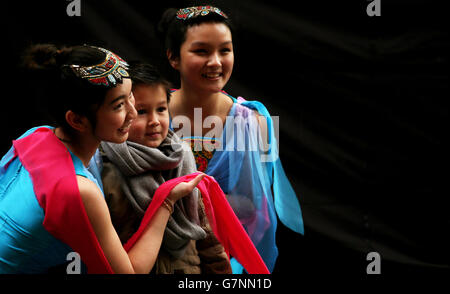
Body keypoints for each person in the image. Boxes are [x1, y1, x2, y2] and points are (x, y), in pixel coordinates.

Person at [0, 44, 204, 274]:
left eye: (131, 98)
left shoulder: (37, 136)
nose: (133, 113)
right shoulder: (80, 190)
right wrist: (166, 201)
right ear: (77, 120)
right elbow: (129, 272)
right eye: (118, 105)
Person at [157, 5, 305, 273]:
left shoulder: (255, 124)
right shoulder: (146, 117)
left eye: (224, 50)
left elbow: (257, 215)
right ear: (173, 57)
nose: (215, 62)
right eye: (201, 51)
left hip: (226, 263)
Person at [100, 62, 232, 274]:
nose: (155, 121)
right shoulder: (106, 169)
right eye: (142, 112)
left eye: (161, 109)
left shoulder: (182, 159)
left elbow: (204, 234)